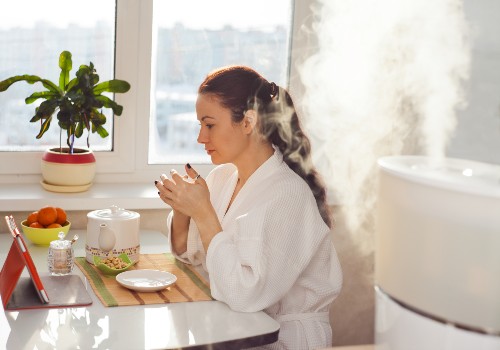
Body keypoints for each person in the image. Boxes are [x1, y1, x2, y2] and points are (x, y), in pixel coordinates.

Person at [155, 66, 342, 349]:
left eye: (210, 125)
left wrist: (204, 212)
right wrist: (182, 208)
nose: (201, 138)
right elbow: (189, 257)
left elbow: (246, 295)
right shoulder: (222, 178)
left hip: (283, 339)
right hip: (234, 328)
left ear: (248, 122)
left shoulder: (289, 195)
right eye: (199, 126)